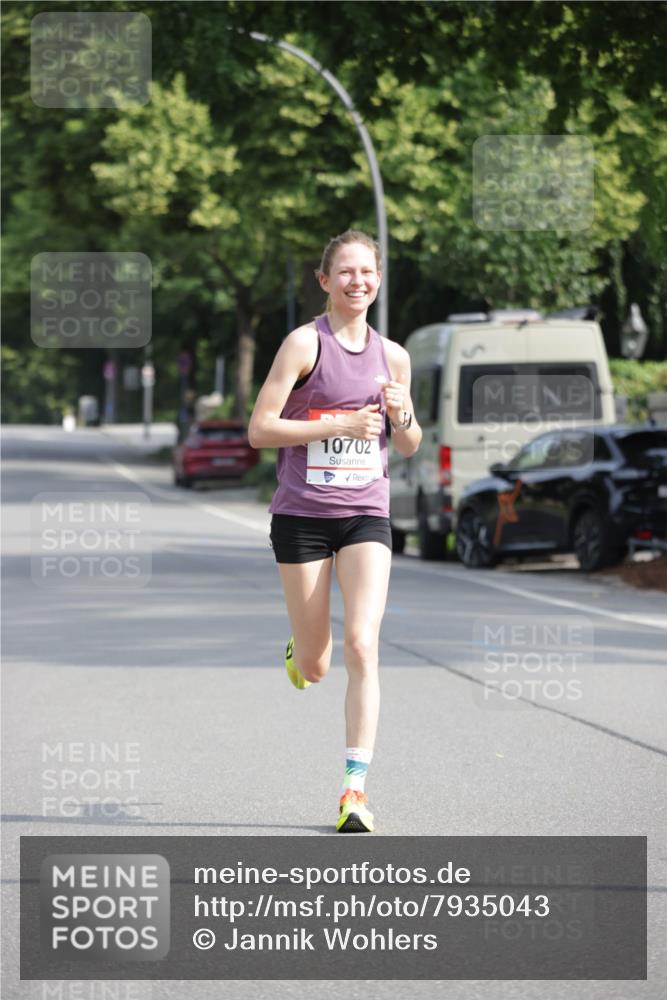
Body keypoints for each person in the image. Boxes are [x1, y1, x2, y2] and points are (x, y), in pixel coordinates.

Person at [248, 230, 422, 833]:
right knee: (320, 664)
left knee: (363, 645)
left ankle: (354, 791)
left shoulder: (394, 356)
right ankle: (301, 647)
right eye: (345, 273)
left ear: (378, 280)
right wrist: (337, 424)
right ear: (325, 281)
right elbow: (260, 430)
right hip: (301, 516)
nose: (357, 282)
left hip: (365, 512)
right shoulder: (304, 345)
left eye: (367, 272)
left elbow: (408, 442)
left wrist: (400, 415)